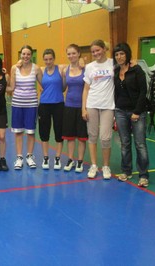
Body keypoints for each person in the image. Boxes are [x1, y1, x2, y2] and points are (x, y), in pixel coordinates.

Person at [113, 43, 149, 187]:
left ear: (127, 54)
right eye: (116, 54)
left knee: (140, 144)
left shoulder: (137, 70)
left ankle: (143, 175)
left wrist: (137, 112)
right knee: (125, 143)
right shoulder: (115, 71)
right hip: (120, 111)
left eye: (122, 54)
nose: (119, 57)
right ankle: (126, 171)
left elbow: (143, 92)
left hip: (136, 112)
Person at [82, 40, 115, 179]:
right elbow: (86, 89)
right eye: (93, 51)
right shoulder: (89, 67)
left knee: (105, 137)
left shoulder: (113, 63)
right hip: (92, 104)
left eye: (98, 50)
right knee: (93, 136)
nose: (96, 53)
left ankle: (106, 166)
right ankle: (94, 165)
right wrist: (83, 108)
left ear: (104, 49)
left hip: (108, 105)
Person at [10, 45, 43, 170]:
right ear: (20, 55)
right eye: (23, 54)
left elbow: (44, 84)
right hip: (17, 104)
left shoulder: (37, 68)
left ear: (32, 55)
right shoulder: (14, 68)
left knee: (30, 132)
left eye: (28, 54)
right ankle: (19, 157)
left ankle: (29, 156)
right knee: (18, 132)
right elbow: (11, 87)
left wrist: (40, 97)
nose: (25, 56)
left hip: (31, 105)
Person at [62, 44, 88, 173]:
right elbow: (63, 88)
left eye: (73, 53)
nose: (71, 56)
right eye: (69, 54)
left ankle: (80, 161)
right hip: (69, 106)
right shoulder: (65, 70)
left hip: (82, 107)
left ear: (79, 54)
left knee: (82, 137)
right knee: (70, 136)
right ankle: (70, 159)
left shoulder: (85, 68)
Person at [39, 49, 66, 170]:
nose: (48, 61)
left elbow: (64, 87)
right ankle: (45, 157)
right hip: (44, 104)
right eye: (46, 59)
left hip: (58, 104)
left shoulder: (60, 69)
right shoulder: (40, 70)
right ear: (43, 59)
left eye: (50, 59)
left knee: (59, 132)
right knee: (44, 132)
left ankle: (57, 158)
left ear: (54, 59)